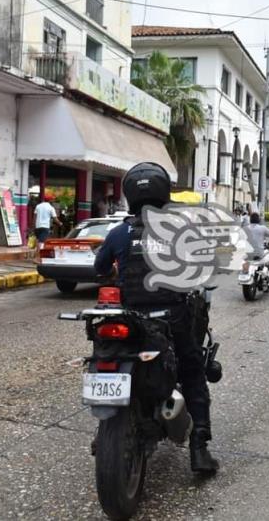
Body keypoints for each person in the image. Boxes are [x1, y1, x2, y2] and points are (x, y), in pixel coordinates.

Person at [94, 162, 219, 474]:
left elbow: (99, 270)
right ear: (164, 194)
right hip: (171, 318)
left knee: (105, 356)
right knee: (192, 372)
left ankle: (106, 427)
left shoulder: (118, 232)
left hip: (130, 318)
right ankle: (199, 446)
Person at [245, 212, 269, 283]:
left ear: (250, 220)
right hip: (259, 254)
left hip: (247, 254)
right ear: (258, 220)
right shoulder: (262, 228)